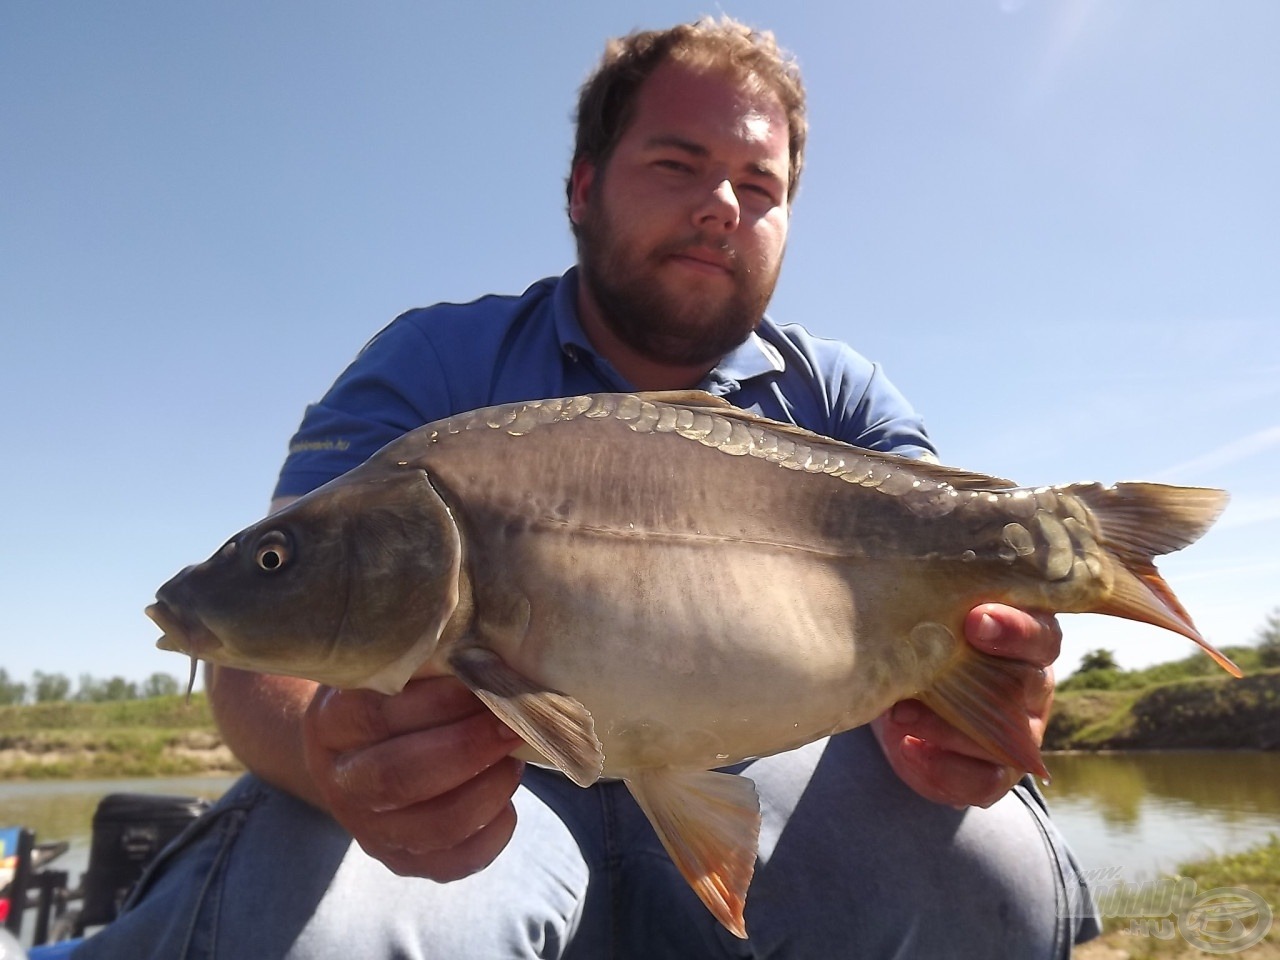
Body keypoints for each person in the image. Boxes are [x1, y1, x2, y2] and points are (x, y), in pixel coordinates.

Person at [79, 17, 1099, 959]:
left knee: (994, 877)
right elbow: (269, 656)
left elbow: (972, 597)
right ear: (581, 188)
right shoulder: (434, 359)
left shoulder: (837, 393)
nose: (721, 206)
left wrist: (981, 693)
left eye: (760, 183)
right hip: (489, 799)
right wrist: (333, 754)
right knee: (312, 923)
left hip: (771, 765)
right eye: (677, 164)